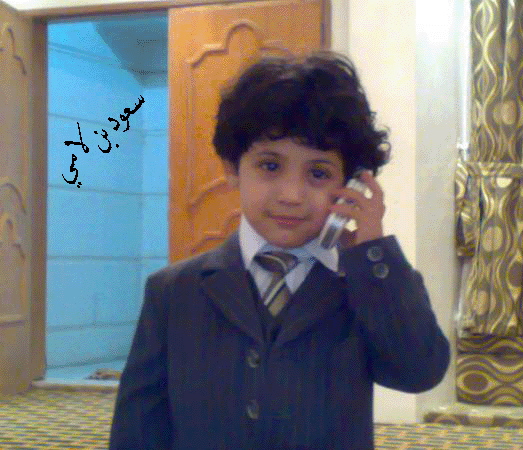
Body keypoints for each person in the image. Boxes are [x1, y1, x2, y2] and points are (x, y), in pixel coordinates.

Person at [109, 52, 450, 450]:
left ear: (352, 184)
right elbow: (138, 430)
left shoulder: (369, 284)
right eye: (270, 166)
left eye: (318, 173)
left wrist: (373, 252)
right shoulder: (173, 291)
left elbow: (418, 372)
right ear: (232, 168)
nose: (291, 195)